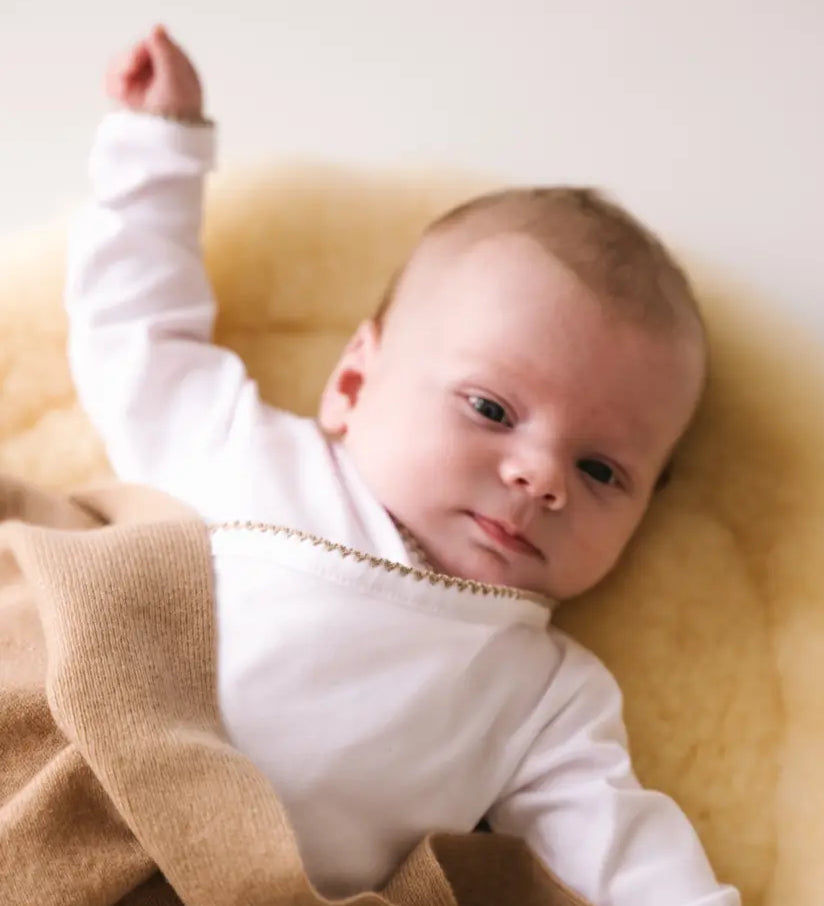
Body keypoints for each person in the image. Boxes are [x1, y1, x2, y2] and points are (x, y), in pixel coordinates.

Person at [65, 24, 741, 906]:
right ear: (352, 382)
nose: (543, 478)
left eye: (604, 470)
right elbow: (137, 338)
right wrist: (157, 150)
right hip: (82, 799)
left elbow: (620, 851)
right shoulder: (250, 454)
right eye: (492, 410)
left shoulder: (543, 694)